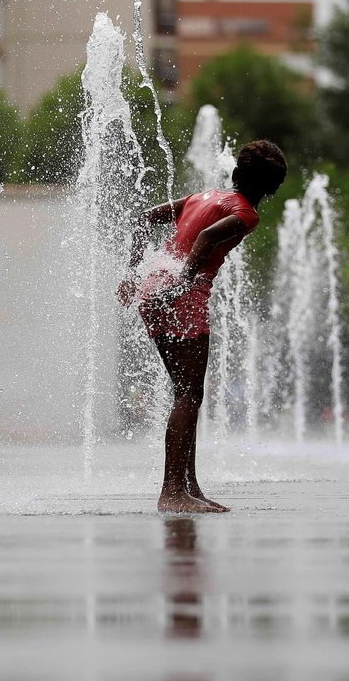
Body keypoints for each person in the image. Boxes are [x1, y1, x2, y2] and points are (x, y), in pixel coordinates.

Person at [118, 139, 287, 513]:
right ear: (273, 189)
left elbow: (145, 217)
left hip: (154, 284)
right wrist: (183, 283)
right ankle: (173, 491)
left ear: (236, 174)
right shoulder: (246, 214)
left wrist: (133, 272)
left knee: (186, 391)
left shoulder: (204, 195)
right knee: (189, 394)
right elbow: (209, 237)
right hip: (181, 293)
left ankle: (188, 485)